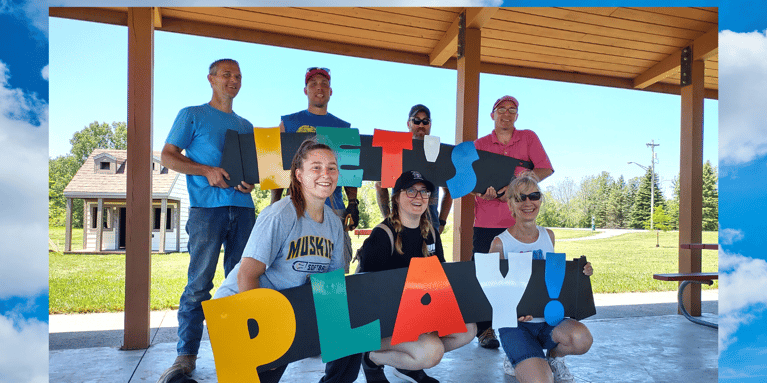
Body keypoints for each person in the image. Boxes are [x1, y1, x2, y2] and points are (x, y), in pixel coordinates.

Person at [214, 139, 360, 383]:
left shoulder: (335, 225)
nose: (326, 174)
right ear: (299, 175)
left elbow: (330, 287)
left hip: (282, 311)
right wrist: (265, 343)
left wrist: (338, 332)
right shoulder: (280, 214)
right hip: (240, 310)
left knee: (351, 330)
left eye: (332, 168)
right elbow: (246, 275)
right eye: (316, 167)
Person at [158, 58, 256, 381]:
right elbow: (168, 155)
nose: (233, 80)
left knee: (242, 283)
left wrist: (249, 182)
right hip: (206, 211)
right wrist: (206, 171)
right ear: (211, 79)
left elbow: (251, 170)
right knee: (199, 284)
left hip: (243, 211)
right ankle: (185, 356)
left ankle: (238, 351)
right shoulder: (192, 115)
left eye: (238, 76)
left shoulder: (246, 126)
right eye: (226, 74)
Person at [359, 170, 476, 383]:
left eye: (424, 192)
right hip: (384, 322)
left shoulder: (431, 233)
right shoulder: (382, 235)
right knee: (432, 351)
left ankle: (408, 365)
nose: (418, 197)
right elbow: (366, 293)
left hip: (417, 314)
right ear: (397, 196)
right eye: (411, 190)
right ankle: (371, 358)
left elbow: (439, 281)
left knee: (468, 330)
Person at [488, 172, 593, 383]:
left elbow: (553, 279)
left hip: (549, 319)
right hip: (515, 325)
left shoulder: (549, 236)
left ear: (540, 200)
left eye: (534, 196)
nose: (528, 202)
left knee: (582, 339)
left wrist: (582, 274)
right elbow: (490, 291)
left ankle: (554, 358)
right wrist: (511, 312)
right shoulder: (500, 243)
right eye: (520, 197)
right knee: (540, 381)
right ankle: (515, 357)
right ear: (511, 205)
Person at [472, 95, 554, 349]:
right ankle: (485, 329)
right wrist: (479, 191)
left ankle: (521, 323)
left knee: (521, 272)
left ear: (516, 116)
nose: (506, 114)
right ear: (492, 115)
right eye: (501, 110)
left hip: (519, 220)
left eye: (512, 110)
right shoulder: (479, 144)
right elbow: (468, 180)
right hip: (486, 220)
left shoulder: (528, 137)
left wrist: (517, 185)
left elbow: (545, 169)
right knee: (485, 274)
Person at [272, 67, 358, 273]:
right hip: (295, 206)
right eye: (313, 84)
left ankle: (330, 305)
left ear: (331, 91)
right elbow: (276, 164)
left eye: (324, 84)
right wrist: (273, 204)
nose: (319, 88)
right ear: (305, 90)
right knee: (292, 264)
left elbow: (349, 169)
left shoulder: (343, 127)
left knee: (335, 267)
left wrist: (353, 203)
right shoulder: (289, 122)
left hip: (334, 207)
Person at [375, 104, 453, 234]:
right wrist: (388, 218)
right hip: (400, 226)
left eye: (425, 121)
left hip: (430, 227)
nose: (421, 125)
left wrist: (442, 222)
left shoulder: (438, 152)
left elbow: (449, 190)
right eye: (416, 121)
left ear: (430, 124)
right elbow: (380, 185)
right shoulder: (396, 151)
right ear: (408, 124)